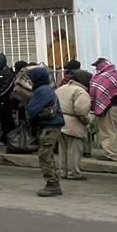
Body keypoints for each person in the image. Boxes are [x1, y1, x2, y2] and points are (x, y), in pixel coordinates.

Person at [26, 67, 66, 196]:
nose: (29, 81)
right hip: (49, 126)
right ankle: (53, 182)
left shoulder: (43, 91)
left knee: (44, 155)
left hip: (49, 127)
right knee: (47, 155)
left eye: (31, 79)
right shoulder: (45, 89)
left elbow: (32, 110)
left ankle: (52, 184)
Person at [89, 57, 117, 162]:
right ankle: (110, 152)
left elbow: (97, 92)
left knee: (107, 131)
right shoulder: (116, 75)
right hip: (114, 106)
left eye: (97, 66)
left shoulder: (102, 77)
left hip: (108, 108)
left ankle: (111, 154)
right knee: (110, 130)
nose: (96, 68)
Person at [56, 69, 92, 180]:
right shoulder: (80, 91)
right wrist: (87, 121)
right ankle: (73, 173)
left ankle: (63, 171)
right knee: (74, 150)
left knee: (63, 149)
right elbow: (81, 110)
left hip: (58, 122)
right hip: (73, 124)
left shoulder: (60, 89)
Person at [0, 54, 16, 144]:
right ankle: (6, 138)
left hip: (5, 100)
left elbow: (5, 88)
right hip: (1, 100)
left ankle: (9, 139)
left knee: (7, 120)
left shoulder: (6, 73)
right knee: (4, 120)